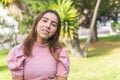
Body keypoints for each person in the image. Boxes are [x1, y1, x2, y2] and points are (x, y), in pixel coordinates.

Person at [7, 10, 70, 80]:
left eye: (53, 24)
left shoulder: (60, 53)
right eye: (45, 21)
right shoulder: (19, 52)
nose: (48, 26)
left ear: (56, 31)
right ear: (37, 23)